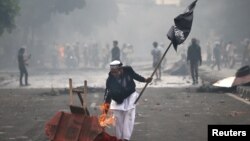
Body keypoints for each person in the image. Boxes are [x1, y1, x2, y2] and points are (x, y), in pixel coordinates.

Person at [104, 60, 152, 141]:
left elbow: (136, 76)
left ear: (120, 69)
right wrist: (104, 112)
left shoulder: (128, 70)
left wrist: (145, 80)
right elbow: (108, 95)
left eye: (116, 72)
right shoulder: (110, 80)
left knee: (129, 116)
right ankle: (119, 138)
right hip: (118, 99)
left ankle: (126, 138)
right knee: (118, 119)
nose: (114, 74)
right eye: (112, 72)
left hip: (130, 96)